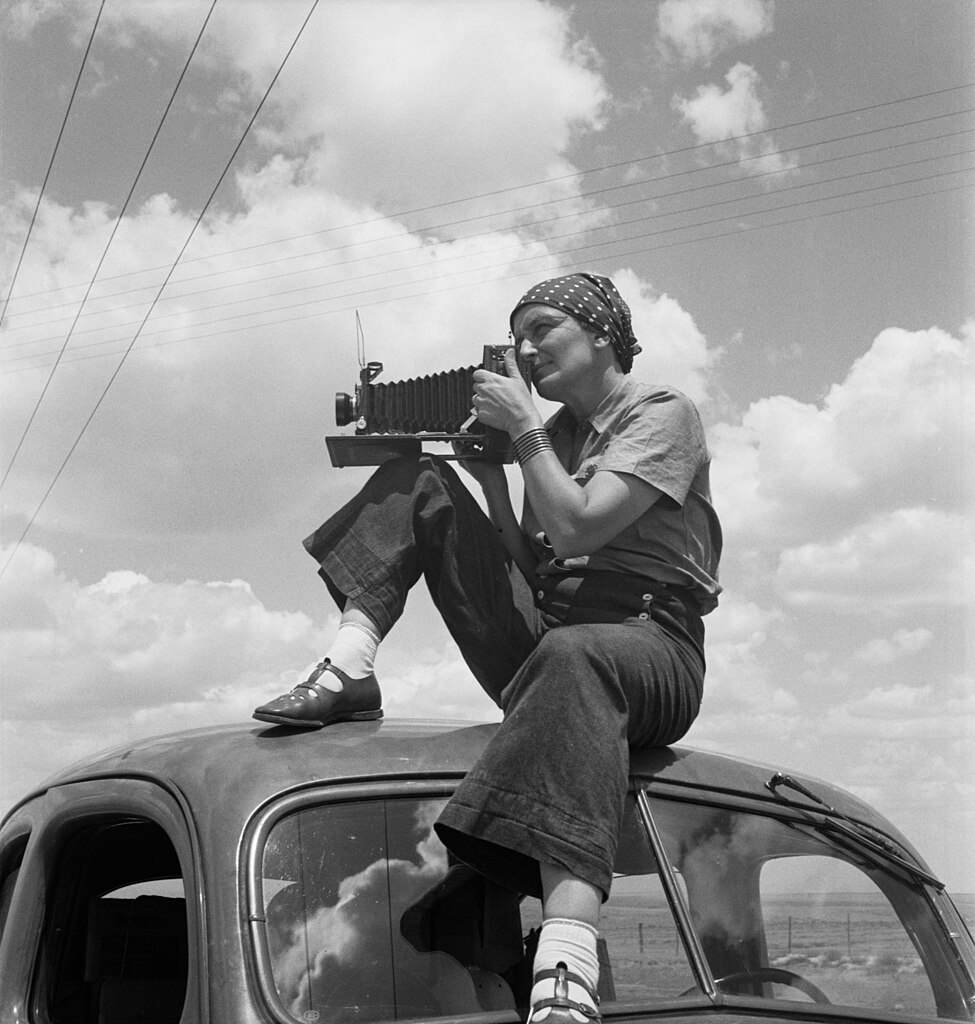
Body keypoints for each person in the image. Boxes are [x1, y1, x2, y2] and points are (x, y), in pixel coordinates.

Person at [254, 272, 721, 1023]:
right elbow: (539, 561)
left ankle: (564, 970)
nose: (527, 350)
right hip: (553, 637)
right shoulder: (559, 438)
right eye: (518, 338)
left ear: (601, 333)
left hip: (646, 644)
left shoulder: (661, 413)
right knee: (423, 478)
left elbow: (576, 528)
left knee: (578, 660)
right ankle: (350, 662)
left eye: (542, 330)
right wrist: (490, 481)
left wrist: (525, 433)